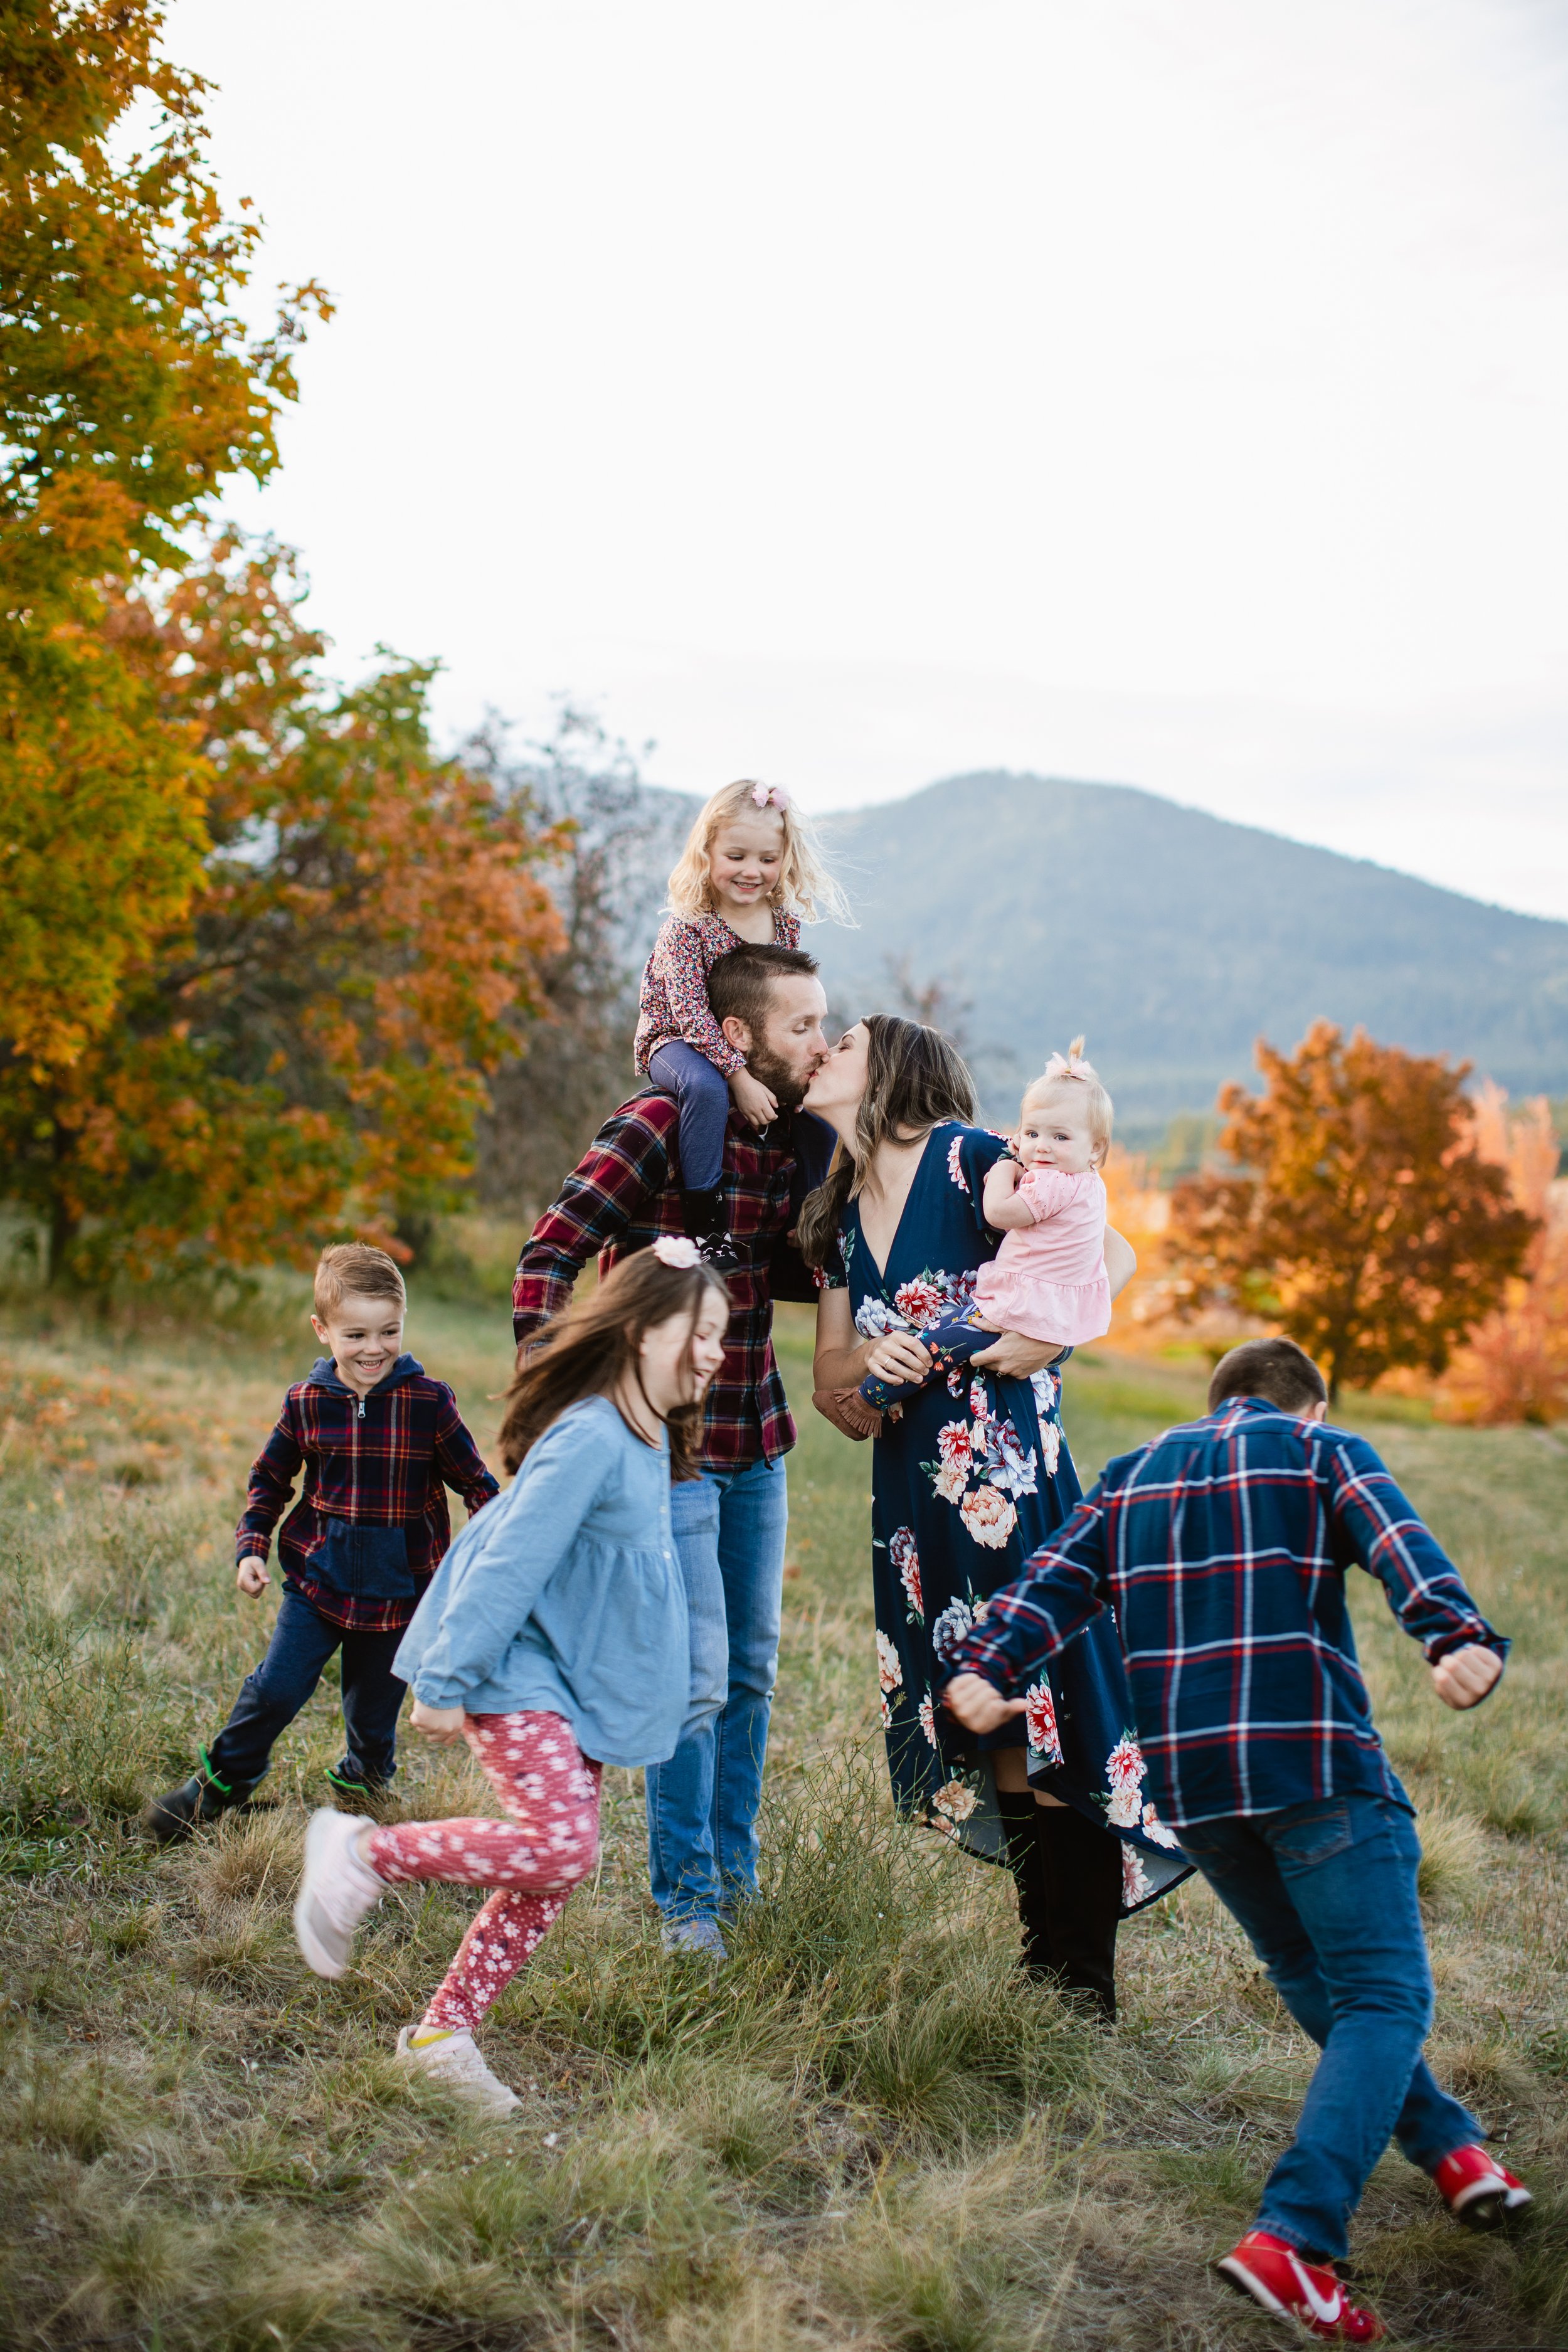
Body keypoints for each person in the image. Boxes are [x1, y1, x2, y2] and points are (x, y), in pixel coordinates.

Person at [944, 1334, 1528, 2343]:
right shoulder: (1320, 1449)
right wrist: (1456, 1636)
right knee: (1386, 1993)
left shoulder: (1130, 1478)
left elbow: (1049, 1580)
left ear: (1218, 1400)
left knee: (1310, 1970)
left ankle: (1453, 2150)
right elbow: (1399, 1544)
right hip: (1310, 1762)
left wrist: (991, 1666)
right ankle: (1296, 2237)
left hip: (1194, 1784)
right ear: (1305, 1404)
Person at [801, 1017, 1190, 2022]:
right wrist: (869, 1368)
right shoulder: (840, 1214)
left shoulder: (973, 1159)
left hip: (1010, 1483)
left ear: (887, 1070)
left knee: (1048, 1702)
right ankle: (1041, 1962)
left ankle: (1086, 1985)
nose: (818, 1052)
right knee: (992, 1720)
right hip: (914, 1506)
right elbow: (830, 1390)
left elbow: (1112, 1250)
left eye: (840, 1041)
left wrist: (1039, 1339)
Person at [290, 1244, 731, 2114]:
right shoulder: (594, 1434)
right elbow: (512, 1559)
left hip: (575, 1681)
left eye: (724, 1335)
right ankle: (361, 1852)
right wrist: (450, 1674)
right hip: (515, 1663)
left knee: (553, 1869)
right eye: (702, 1332)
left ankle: (441, 2036)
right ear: (643, 1329)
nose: (717, 1352)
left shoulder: (648, 1438)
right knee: (562, 1845)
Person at [514, 940, 835, 1957]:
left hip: (761, 1434)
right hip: (671, 1448)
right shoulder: (660, 1124)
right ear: (736, 1036)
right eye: (803, 1027)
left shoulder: (793, 1141)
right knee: (693, 1671)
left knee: (750, 1669)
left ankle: (734, 1881)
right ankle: (686, 1901)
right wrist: (556, 1405)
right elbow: (549, 1254)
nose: (819, 1044)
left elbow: (798, 1269)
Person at [144, 1244, 499, 1841]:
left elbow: (478, 1485)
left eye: (389, 1331)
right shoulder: (306, 1403)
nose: (373, 1349)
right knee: (275, 1689)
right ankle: (218, 1787)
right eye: (355, 1334)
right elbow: (271, 1479)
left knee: (372, 1713)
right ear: (323, 1329)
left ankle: (364, 1785)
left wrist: (489, 1562)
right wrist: (252, 1545)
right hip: (318, 1580)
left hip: (400, 1594)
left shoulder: (428, 1403)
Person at [634, 778, 851, 1259]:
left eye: (767, 860)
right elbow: (691, 1013)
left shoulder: (785, 923)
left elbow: (785, 1001)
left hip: (751, 1043)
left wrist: (788, 1066)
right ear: (707, 853)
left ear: (784, 860)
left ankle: (807, 1221)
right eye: (736, 856)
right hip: (678, 1042)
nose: (752, 871)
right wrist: (740, 1077)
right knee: (707, 1090)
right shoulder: (687, 927)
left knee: (814, 1104)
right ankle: (707, 1227)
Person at [859, 1036, 1113, 1412]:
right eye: (1031, 1134)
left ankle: (872, 1398)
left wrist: (1004, 1169)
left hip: (1023, 1301)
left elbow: (999, 1213)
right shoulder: (1088, 1185)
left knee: (944, 1340)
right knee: (954, 1341)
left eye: (1059, 1137)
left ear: (1095, 1148)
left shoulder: (1053, 1183)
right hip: (1046, 1302)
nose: (1041, 1147)